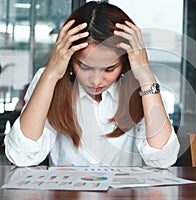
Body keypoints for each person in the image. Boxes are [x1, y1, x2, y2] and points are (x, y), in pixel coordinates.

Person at [4, 1, 180, 167]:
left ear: (124, 63)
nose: (96, 80)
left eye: (109, 69)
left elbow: (162, 159)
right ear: (69, 58)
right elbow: (21, 155)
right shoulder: (49, 80)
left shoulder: (143, 85)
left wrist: (146, 78)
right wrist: (50, 75)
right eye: (84, 67)